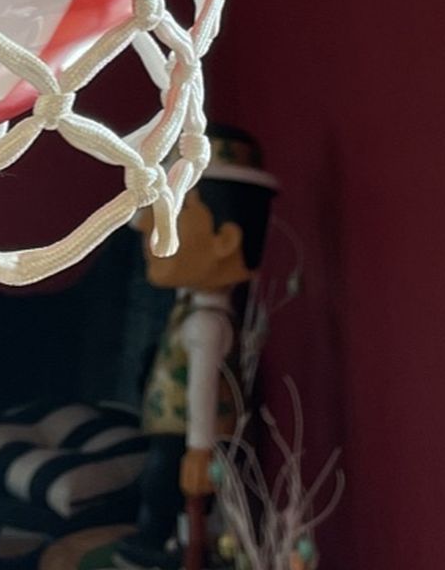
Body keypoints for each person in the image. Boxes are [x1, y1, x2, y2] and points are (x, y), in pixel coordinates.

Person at [108, 128, 277, 570]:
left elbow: (203, 385)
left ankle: (166, 541)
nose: (145, 227)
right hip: (172, 430)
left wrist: (200, 448)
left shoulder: (206, 322)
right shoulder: (189, 309)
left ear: (225, 241)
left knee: (168, 487)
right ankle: (174, 541)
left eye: (170, 214)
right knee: (163, 485)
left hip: (191, 435)